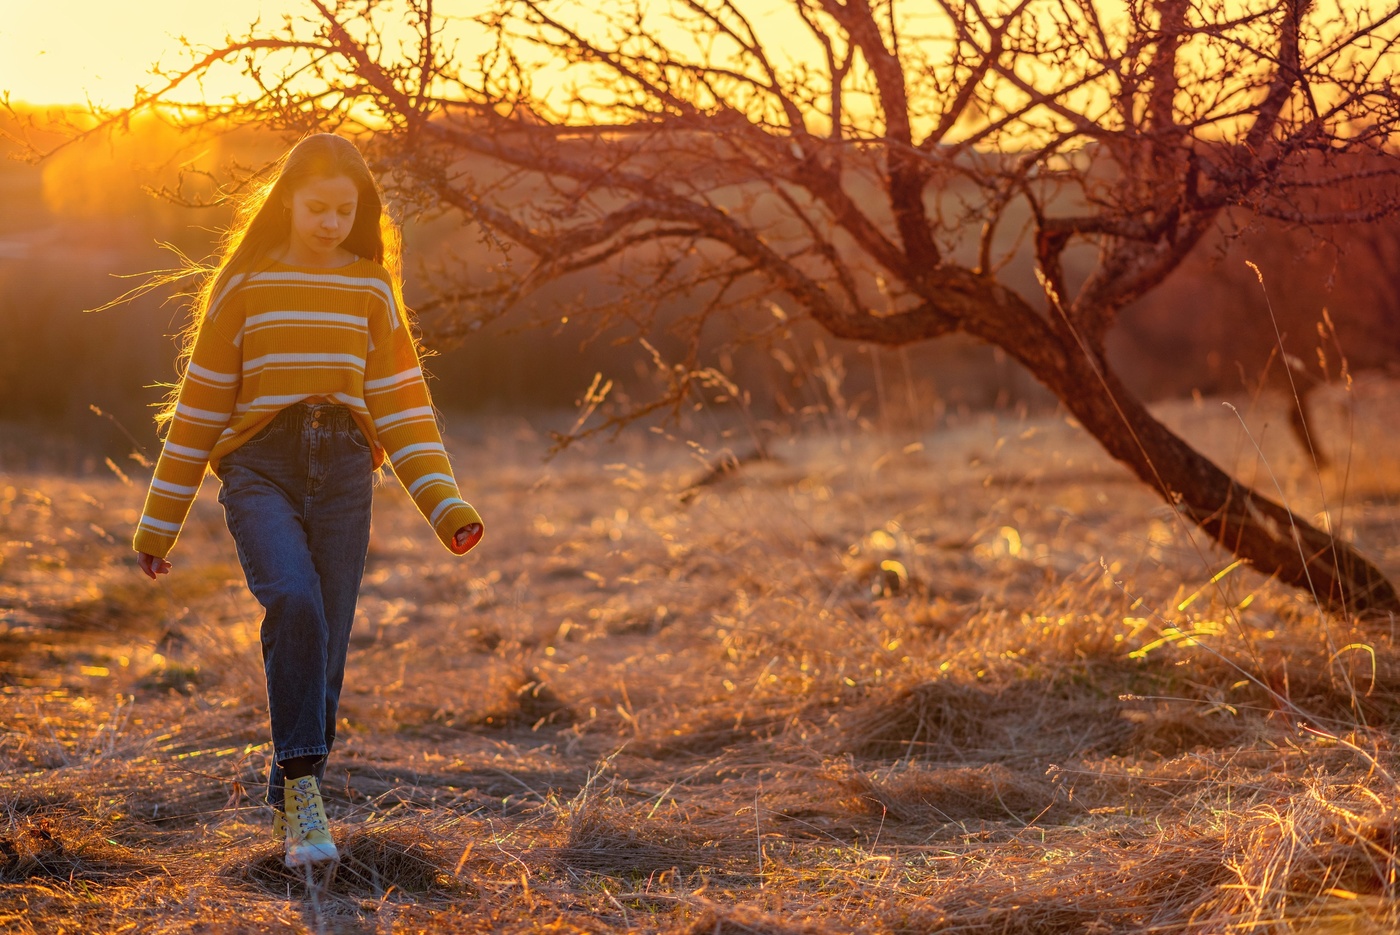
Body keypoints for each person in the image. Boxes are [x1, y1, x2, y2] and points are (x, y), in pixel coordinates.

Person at [132, 133, 484, 870]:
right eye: (316, 207)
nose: (328, 222)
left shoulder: (369, 286)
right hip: (260, 464)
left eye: (342, 210)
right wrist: (159, 523)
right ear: (287, 201)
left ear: (359, 213)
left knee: (327, 637)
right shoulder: (246, 284)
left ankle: (301, 800)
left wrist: (446, 505)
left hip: (348, 470)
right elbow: (198, 405)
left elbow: (402, 406)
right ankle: (301, 787)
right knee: (293, 600)